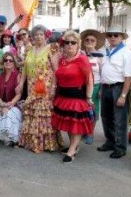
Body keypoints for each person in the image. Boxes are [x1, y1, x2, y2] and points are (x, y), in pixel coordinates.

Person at [15, 25, 62, 154]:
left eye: (41, 34)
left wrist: (53, 87)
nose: (38, 37)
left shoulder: (51, 49)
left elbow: (56, 70)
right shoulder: (29, 49)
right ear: (33, 37)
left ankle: (47, 143)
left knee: (44, 113)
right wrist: (21, 83)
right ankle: (32, 142)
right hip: (31, 86)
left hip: (45, 87)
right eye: (36, 35)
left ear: (45, 36)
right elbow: (24, 69)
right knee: (32, 111)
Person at [51, 30, 94, 163]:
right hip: (63, 96)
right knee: (69, 123)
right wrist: (53, 90)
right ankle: (73, 146)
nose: (69, 45)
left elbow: (89, 79)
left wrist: (88, 97)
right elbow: (55, 74)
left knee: (75, 125)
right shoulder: (62, 60)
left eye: (73, 43)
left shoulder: (82, 59)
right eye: (67, 42)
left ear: (78, 45)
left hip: (77, 97)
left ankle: (72, 151)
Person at [98, 26, 131, 159]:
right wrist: (102, 88)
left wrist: (123, 95)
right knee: (106, 116)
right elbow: (105, 71)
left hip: (119, 88)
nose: (113, 37)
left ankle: (120, 147)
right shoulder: (107, 51)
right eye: (110, 35)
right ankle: (110, 141)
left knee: (120, 119)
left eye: (116, 35)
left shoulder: (126, 53)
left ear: (122, 37)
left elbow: (128, 76)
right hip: (106, 87)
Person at [80, 29, 105, 144]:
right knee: (82, 110)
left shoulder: (100, 56)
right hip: (81, 86)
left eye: (92, 40)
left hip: (95, 86)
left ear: (96, 43)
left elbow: (103, 74)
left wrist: (101, 89)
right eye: (87, 40)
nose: (89, 41)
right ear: (84, 42)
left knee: (93, 110)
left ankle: (90, 133)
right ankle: (83, 130)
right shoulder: (80, 54)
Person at [0, 53, 22, 146]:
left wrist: (10, 104)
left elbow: (19, 94)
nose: (8, 62)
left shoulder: (17, 75)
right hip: (2, 104)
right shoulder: (0, 76)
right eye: (6, 60)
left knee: (9, 112)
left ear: (14, 62)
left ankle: (11, 137)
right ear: (3, 62)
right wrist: (1, 103)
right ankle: (8, 136)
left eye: (10, 60)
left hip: (15, 104)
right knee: (4, 111)